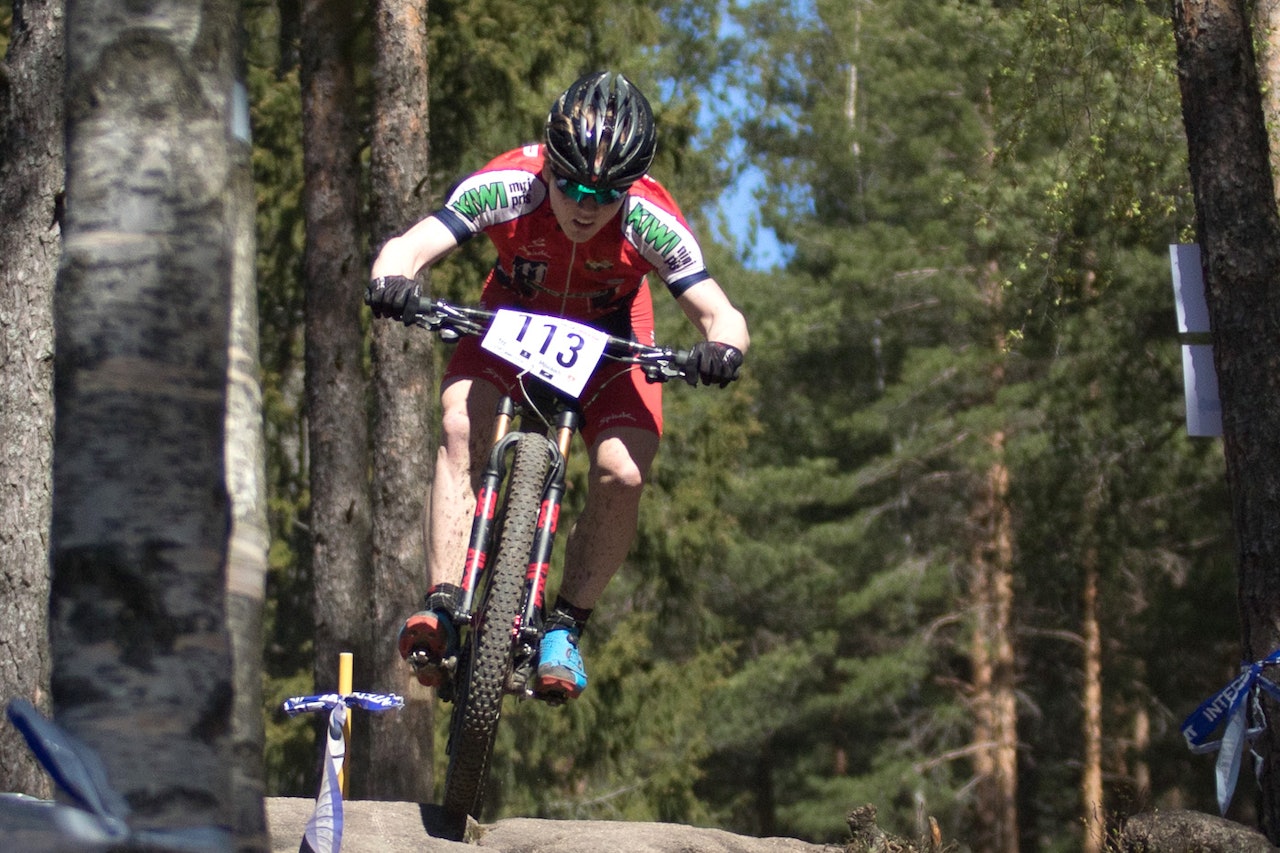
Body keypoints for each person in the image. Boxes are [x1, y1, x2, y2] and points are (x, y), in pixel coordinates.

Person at [366, 71, 749, 701]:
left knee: (624, 472)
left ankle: (564, 627)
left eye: (606, 193)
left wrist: (722, 349)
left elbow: (721, 313)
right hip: (512, 318)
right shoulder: (512, 183)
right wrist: (393, 280)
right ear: (548, 164)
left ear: (631, 187)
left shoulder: (651, 220)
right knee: (463, 422)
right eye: (569, 184)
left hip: (613, 335)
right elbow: (409, 246)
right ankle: (442, 602)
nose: (584, 205)